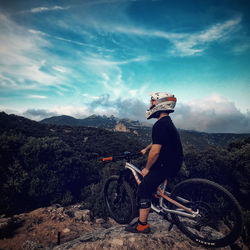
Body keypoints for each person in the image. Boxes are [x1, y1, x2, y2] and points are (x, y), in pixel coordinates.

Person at [125, 92, 183, 234]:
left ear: (160, 104)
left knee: (143, 189)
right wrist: (146, 148)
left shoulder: (158, 125)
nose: (150, 105)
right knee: (153, 183)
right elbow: (158, 140)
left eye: (152, 102)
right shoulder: (167, 122)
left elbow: (156, 152)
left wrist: (146, 168)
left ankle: (142, 225)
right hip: (174, 163)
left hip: (165, 165)